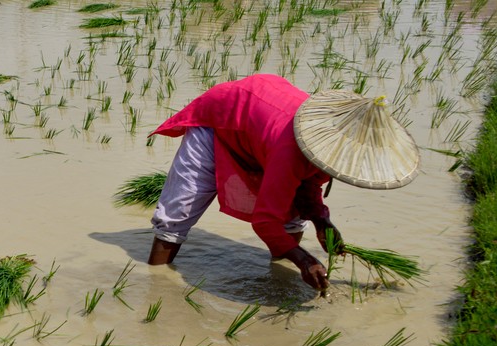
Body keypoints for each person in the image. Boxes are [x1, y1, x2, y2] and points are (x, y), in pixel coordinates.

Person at [146, 74, 419, 292]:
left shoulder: (327, 150)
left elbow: (308, 187)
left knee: (292, 216)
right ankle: (154, 285)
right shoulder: (293, 148)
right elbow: (264, 221)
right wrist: (303, 259)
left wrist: (322, 221)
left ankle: (279, 280)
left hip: (263, 127)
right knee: (178, 212)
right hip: (224, 115)